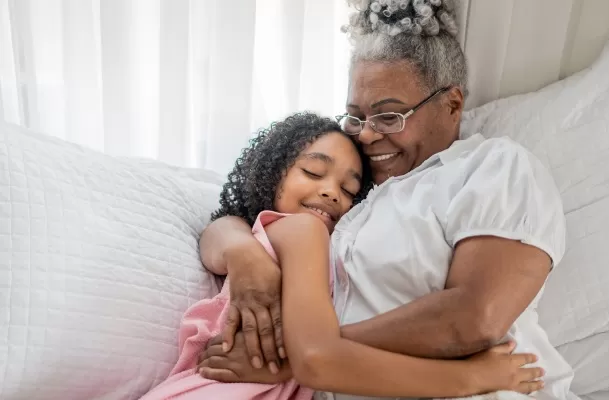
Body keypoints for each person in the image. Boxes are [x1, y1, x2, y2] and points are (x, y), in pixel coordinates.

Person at [197, 1, 578, 400]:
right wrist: (245, 255)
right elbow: (245, 217)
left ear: (452, 104)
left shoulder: (492, 166)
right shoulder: (356, 198)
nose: (365, 135)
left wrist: (300, 358)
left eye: (390, 116)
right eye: (356, 118)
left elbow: (474, 317)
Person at [139, 112, 543, 400]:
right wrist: (471, 377)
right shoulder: (302, 230)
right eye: (314, 173)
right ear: (270, 172)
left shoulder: (284, 237)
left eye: (350, 191)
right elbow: (318, 359)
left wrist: (242, 249)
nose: (333, 193)